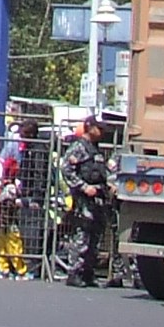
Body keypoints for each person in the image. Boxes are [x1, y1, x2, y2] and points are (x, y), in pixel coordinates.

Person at [59, 113, 116, 286]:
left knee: (96, 235)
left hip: (98, 198)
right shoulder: (79, 147)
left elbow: (101, 171)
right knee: (82, 234)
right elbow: (66, 169)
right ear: (89, 127)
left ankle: (88, 272)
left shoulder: (95, 148)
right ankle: (74, 271)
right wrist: (83, 187)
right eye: (99, 128)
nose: (101, 132)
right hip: (84, 199)